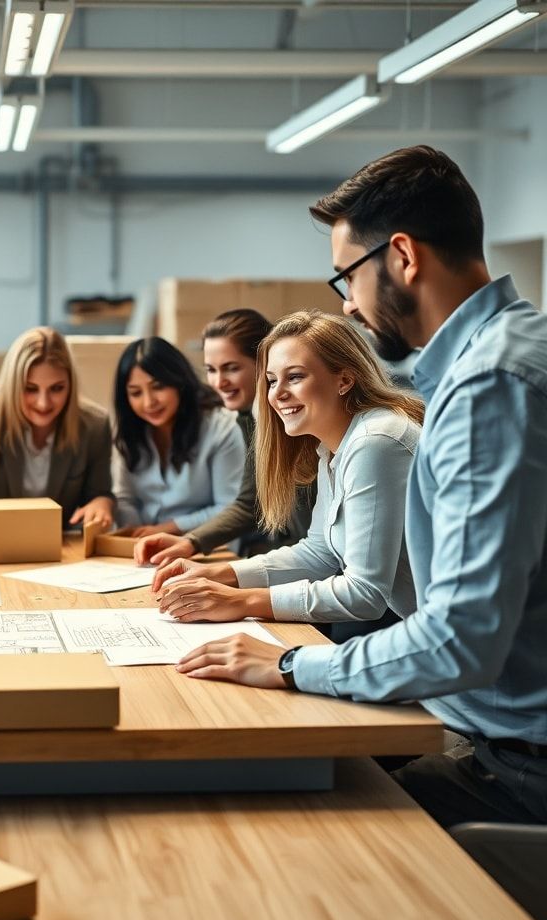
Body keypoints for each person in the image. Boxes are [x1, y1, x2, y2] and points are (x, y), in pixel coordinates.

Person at [171, 145, 547, 832]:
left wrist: (289, 663)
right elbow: (330, 552)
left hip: (515, 762)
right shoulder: (515, 351)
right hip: (493, 731)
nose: (346, 300)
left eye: (347, 275)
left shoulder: (489, 385)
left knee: (296, 826)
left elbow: (460, 639)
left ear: (401, 256)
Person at [156, 311, 422, 631]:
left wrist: (240, 601)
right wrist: (218, 573)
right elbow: (320, 554)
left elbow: (365, 594)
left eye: (294, 376)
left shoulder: (375, 441)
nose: (277, 394)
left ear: (345, 380)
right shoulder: (333, 447)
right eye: (271, 380)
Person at [133, 310, 313, 565]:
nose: (219, 382)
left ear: (264, 364)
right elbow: (249, 503)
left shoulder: (293, 421)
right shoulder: (250, 418)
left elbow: (312, 535)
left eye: (231, 368)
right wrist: (190, 542)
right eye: (211, 370)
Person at [0, 326, 114, 537]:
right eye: (30, 389)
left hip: (60, 549)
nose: (43, 403)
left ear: (71, 385)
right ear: (13, 385)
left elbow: (101, 493)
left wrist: (102, 504)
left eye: (57, 388)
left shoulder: (94, 425)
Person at [111, 336, 244, 537]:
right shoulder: (129, 432)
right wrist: (135, 535)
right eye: (136, 393)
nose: (149, 402)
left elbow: (229, 508)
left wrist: (164, 530)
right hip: (144, 551)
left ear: (178, 382)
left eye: (158, 387)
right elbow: (124, 499)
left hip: (208, 547)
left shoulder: (222, 428)